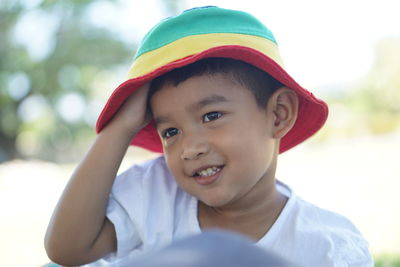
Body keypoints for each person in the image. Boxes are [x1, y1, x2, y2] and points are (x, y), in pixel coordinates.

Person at [44, 6, 373, 267]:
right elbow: (67, 250)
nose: (190, 148)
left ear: (278, 114)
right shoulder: (154, 194)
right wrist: (121, 127)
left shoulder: (330, 247)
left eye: (211, 116)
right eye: (170, 131)